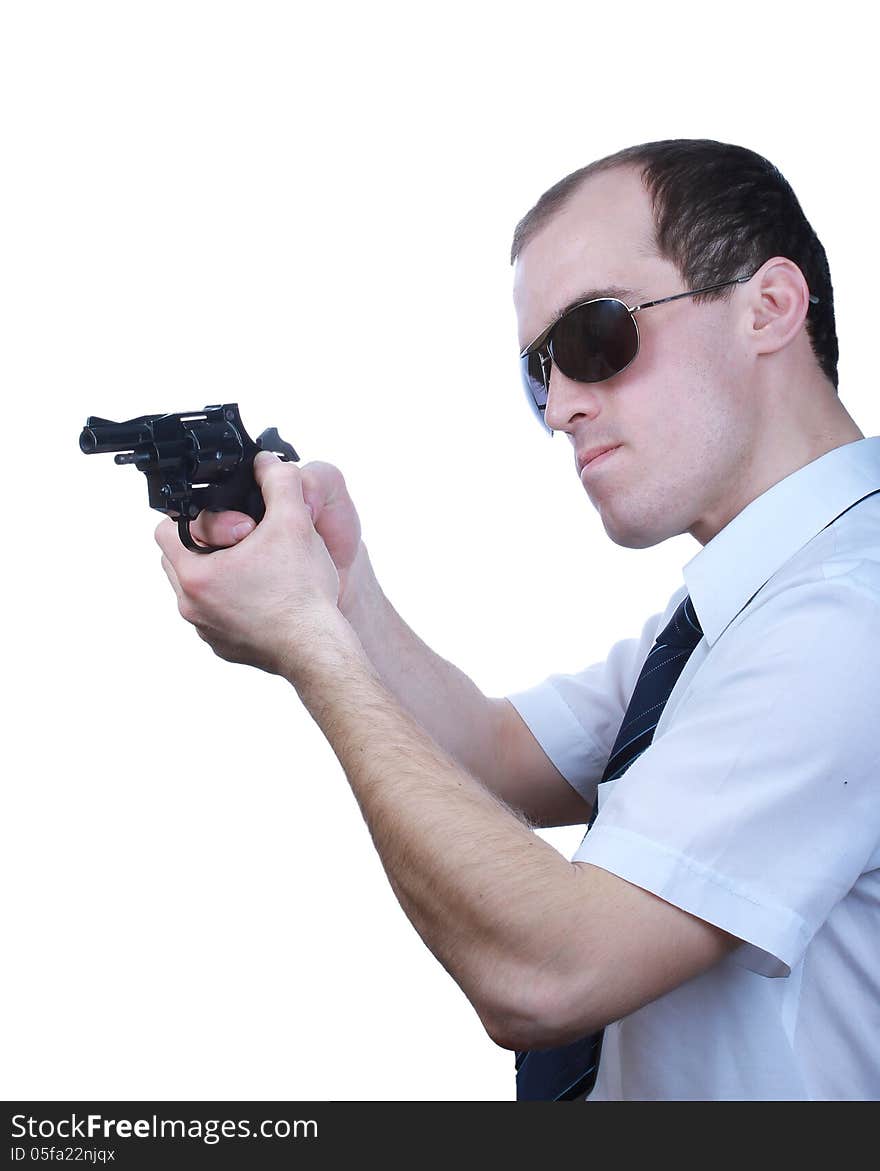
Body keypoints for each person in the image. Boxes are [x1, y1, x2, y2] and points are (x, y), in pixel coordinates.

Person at [154, 138, 880, 1101]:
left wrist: (312, 646)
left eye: (595, 338)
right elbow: (499, 753)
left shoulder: (843, 617)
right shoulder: (750, 603)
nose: (561, 408)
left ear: (769, 307)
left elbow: (552, 973)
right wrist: (339, 586)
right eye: (541, 370)